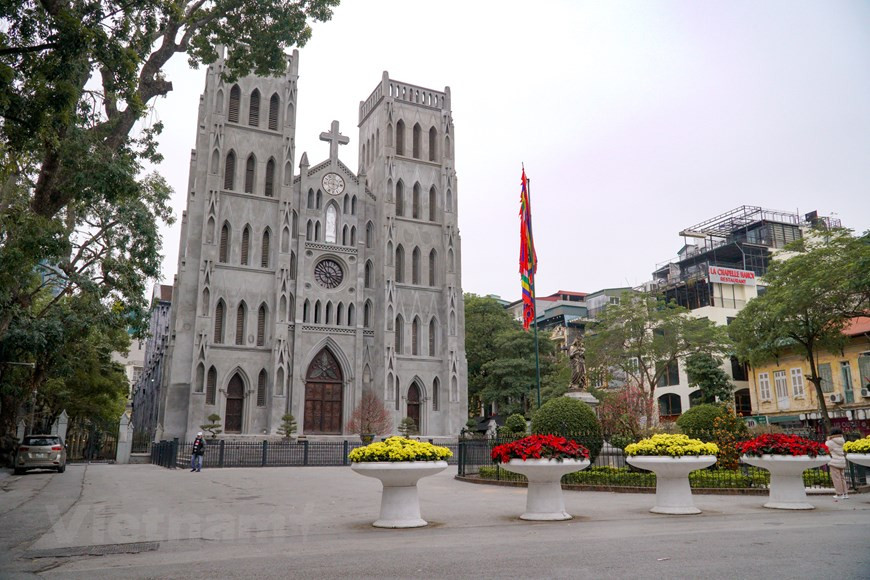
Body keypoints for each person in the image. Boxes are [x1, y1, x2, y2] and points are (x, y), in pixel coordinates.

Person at [825, 428, 848, 500]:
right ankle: (845, 493)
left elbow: (827, 448)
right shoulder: (842, 440)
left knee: (836, 478)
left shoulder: (831, 442)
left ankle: (839, 494)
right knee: (842, 477)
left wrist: (828, 439)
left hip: (834, 461)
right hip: (842, 460)